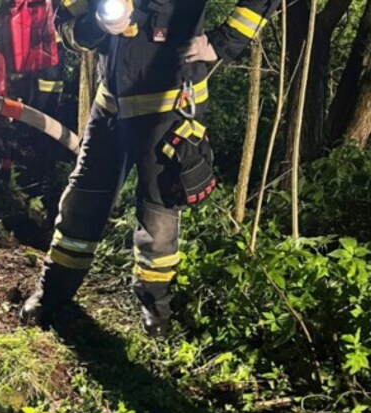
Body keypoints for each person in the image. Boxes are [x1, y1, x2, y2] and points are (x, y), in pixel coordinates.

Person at [20, 0, 280, 336]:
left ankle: (156, 312)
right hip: (111, 105)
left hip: (171, 104)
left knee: (159, 214)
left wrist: (221, 43)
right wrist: (98, 25)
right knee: (83, 201)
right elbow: (66, 26)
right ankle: (53, 293)